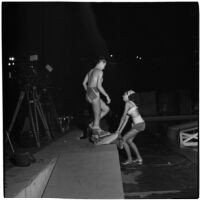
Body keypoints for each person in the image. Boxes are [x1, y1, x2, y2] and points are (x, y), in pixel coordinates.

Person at [116, 90, 145, 165]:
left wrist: (117, 130)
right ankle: (139, 158)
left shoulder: (128, 103)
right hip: (138, 124)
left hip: (139, 125)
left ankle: (129, 159)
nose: (122, 96)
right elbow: (125, 120)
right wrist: (119, 131)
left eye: (124, 95)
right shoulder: (131, 104)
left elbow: (122, 118)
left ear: (128, 96)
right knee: (129, 141)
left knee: (123, 140)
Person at [82, 59, 111, 133]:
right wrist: (107, 96)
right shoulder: (100, 72)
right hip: (94, 92)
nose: (104, 67)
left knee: (106, 109)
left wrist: (89, 92)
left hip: (89, 93)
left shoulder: (90, 71)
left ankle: (92, 124)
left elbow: (83, 83)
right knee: (97, 117)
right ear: (101, 63)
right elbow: (99, 86)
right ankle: (96, 136)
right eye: (104, 65)